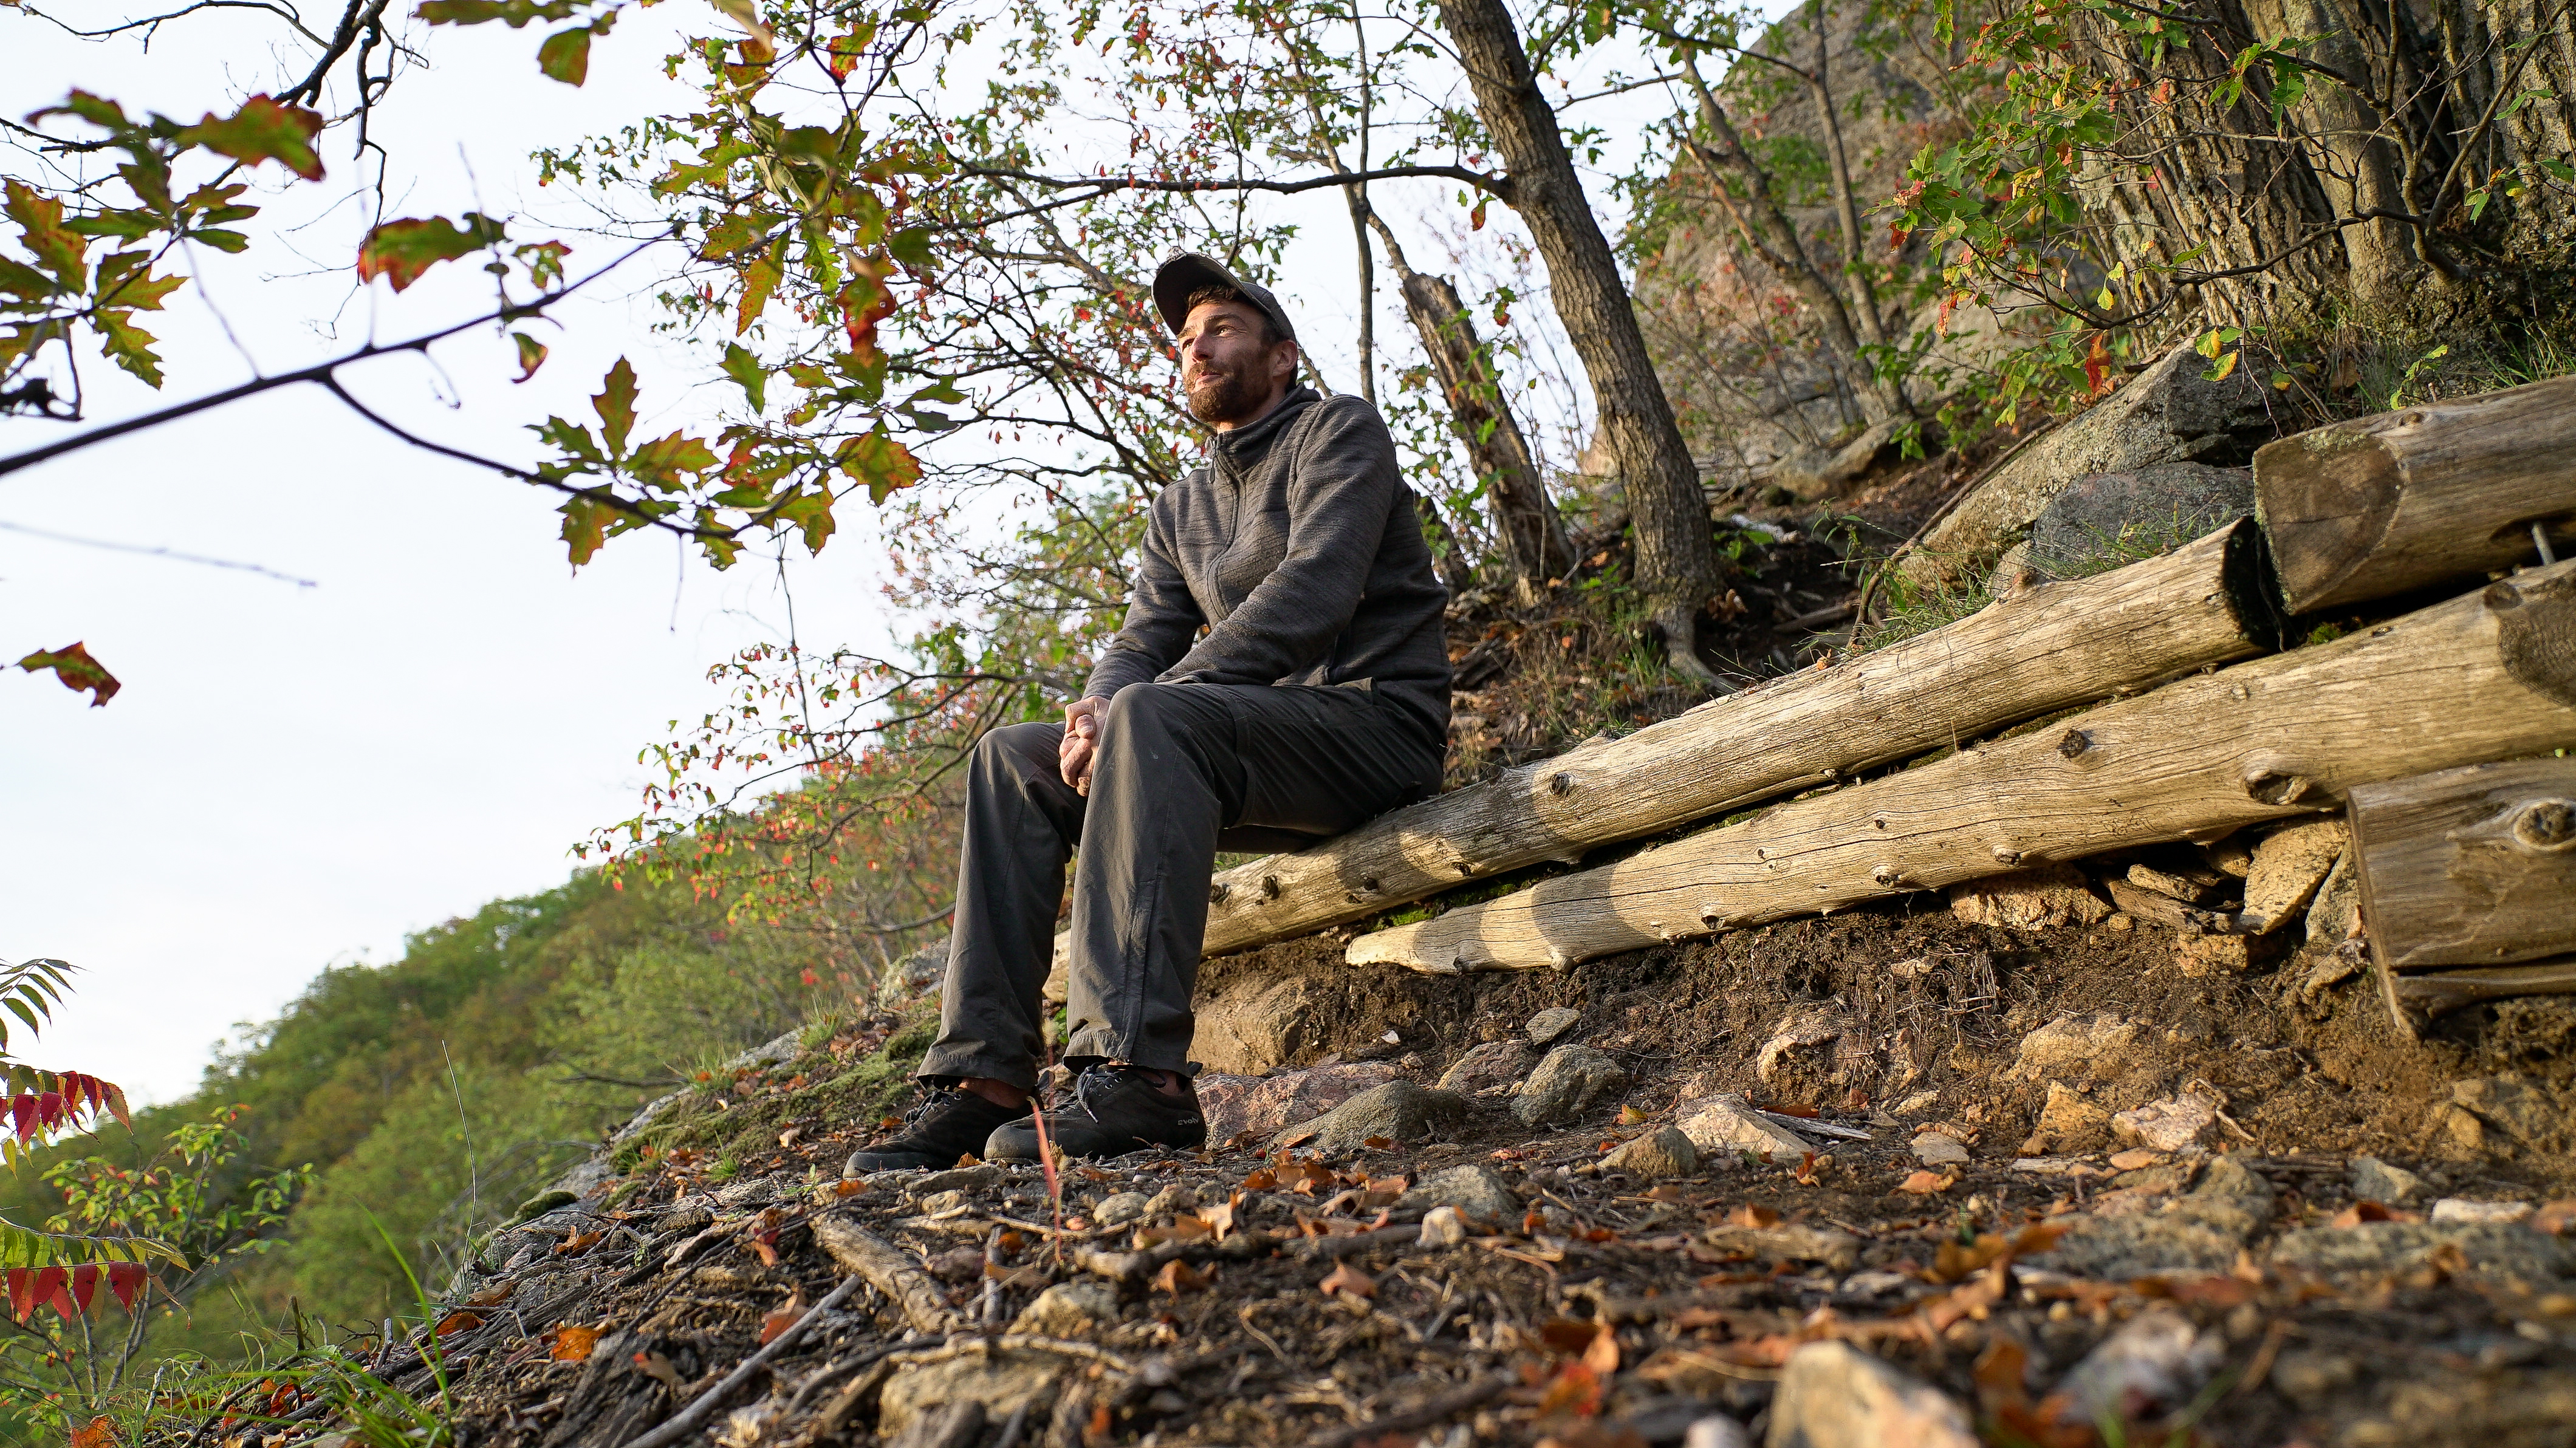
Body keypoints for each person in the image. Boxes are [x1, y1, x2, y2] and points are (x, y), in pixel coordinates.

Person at [848, 252, 1454, 1171]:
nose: (1196, 349)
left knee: (1151, 714)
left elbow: (1313, 594)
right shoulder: (1182, 507)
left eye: (1222, 330)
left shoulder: (1339, 433)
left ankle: (1137, 1075)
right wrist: (1095, 709)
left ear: (1282, 355)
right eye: (1184, 340)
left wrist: (1141, 705)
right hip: (1246, 753)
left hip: (1372, 731)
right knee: (1014, 758)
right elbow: (1141, 641)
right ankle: (986, 1082)